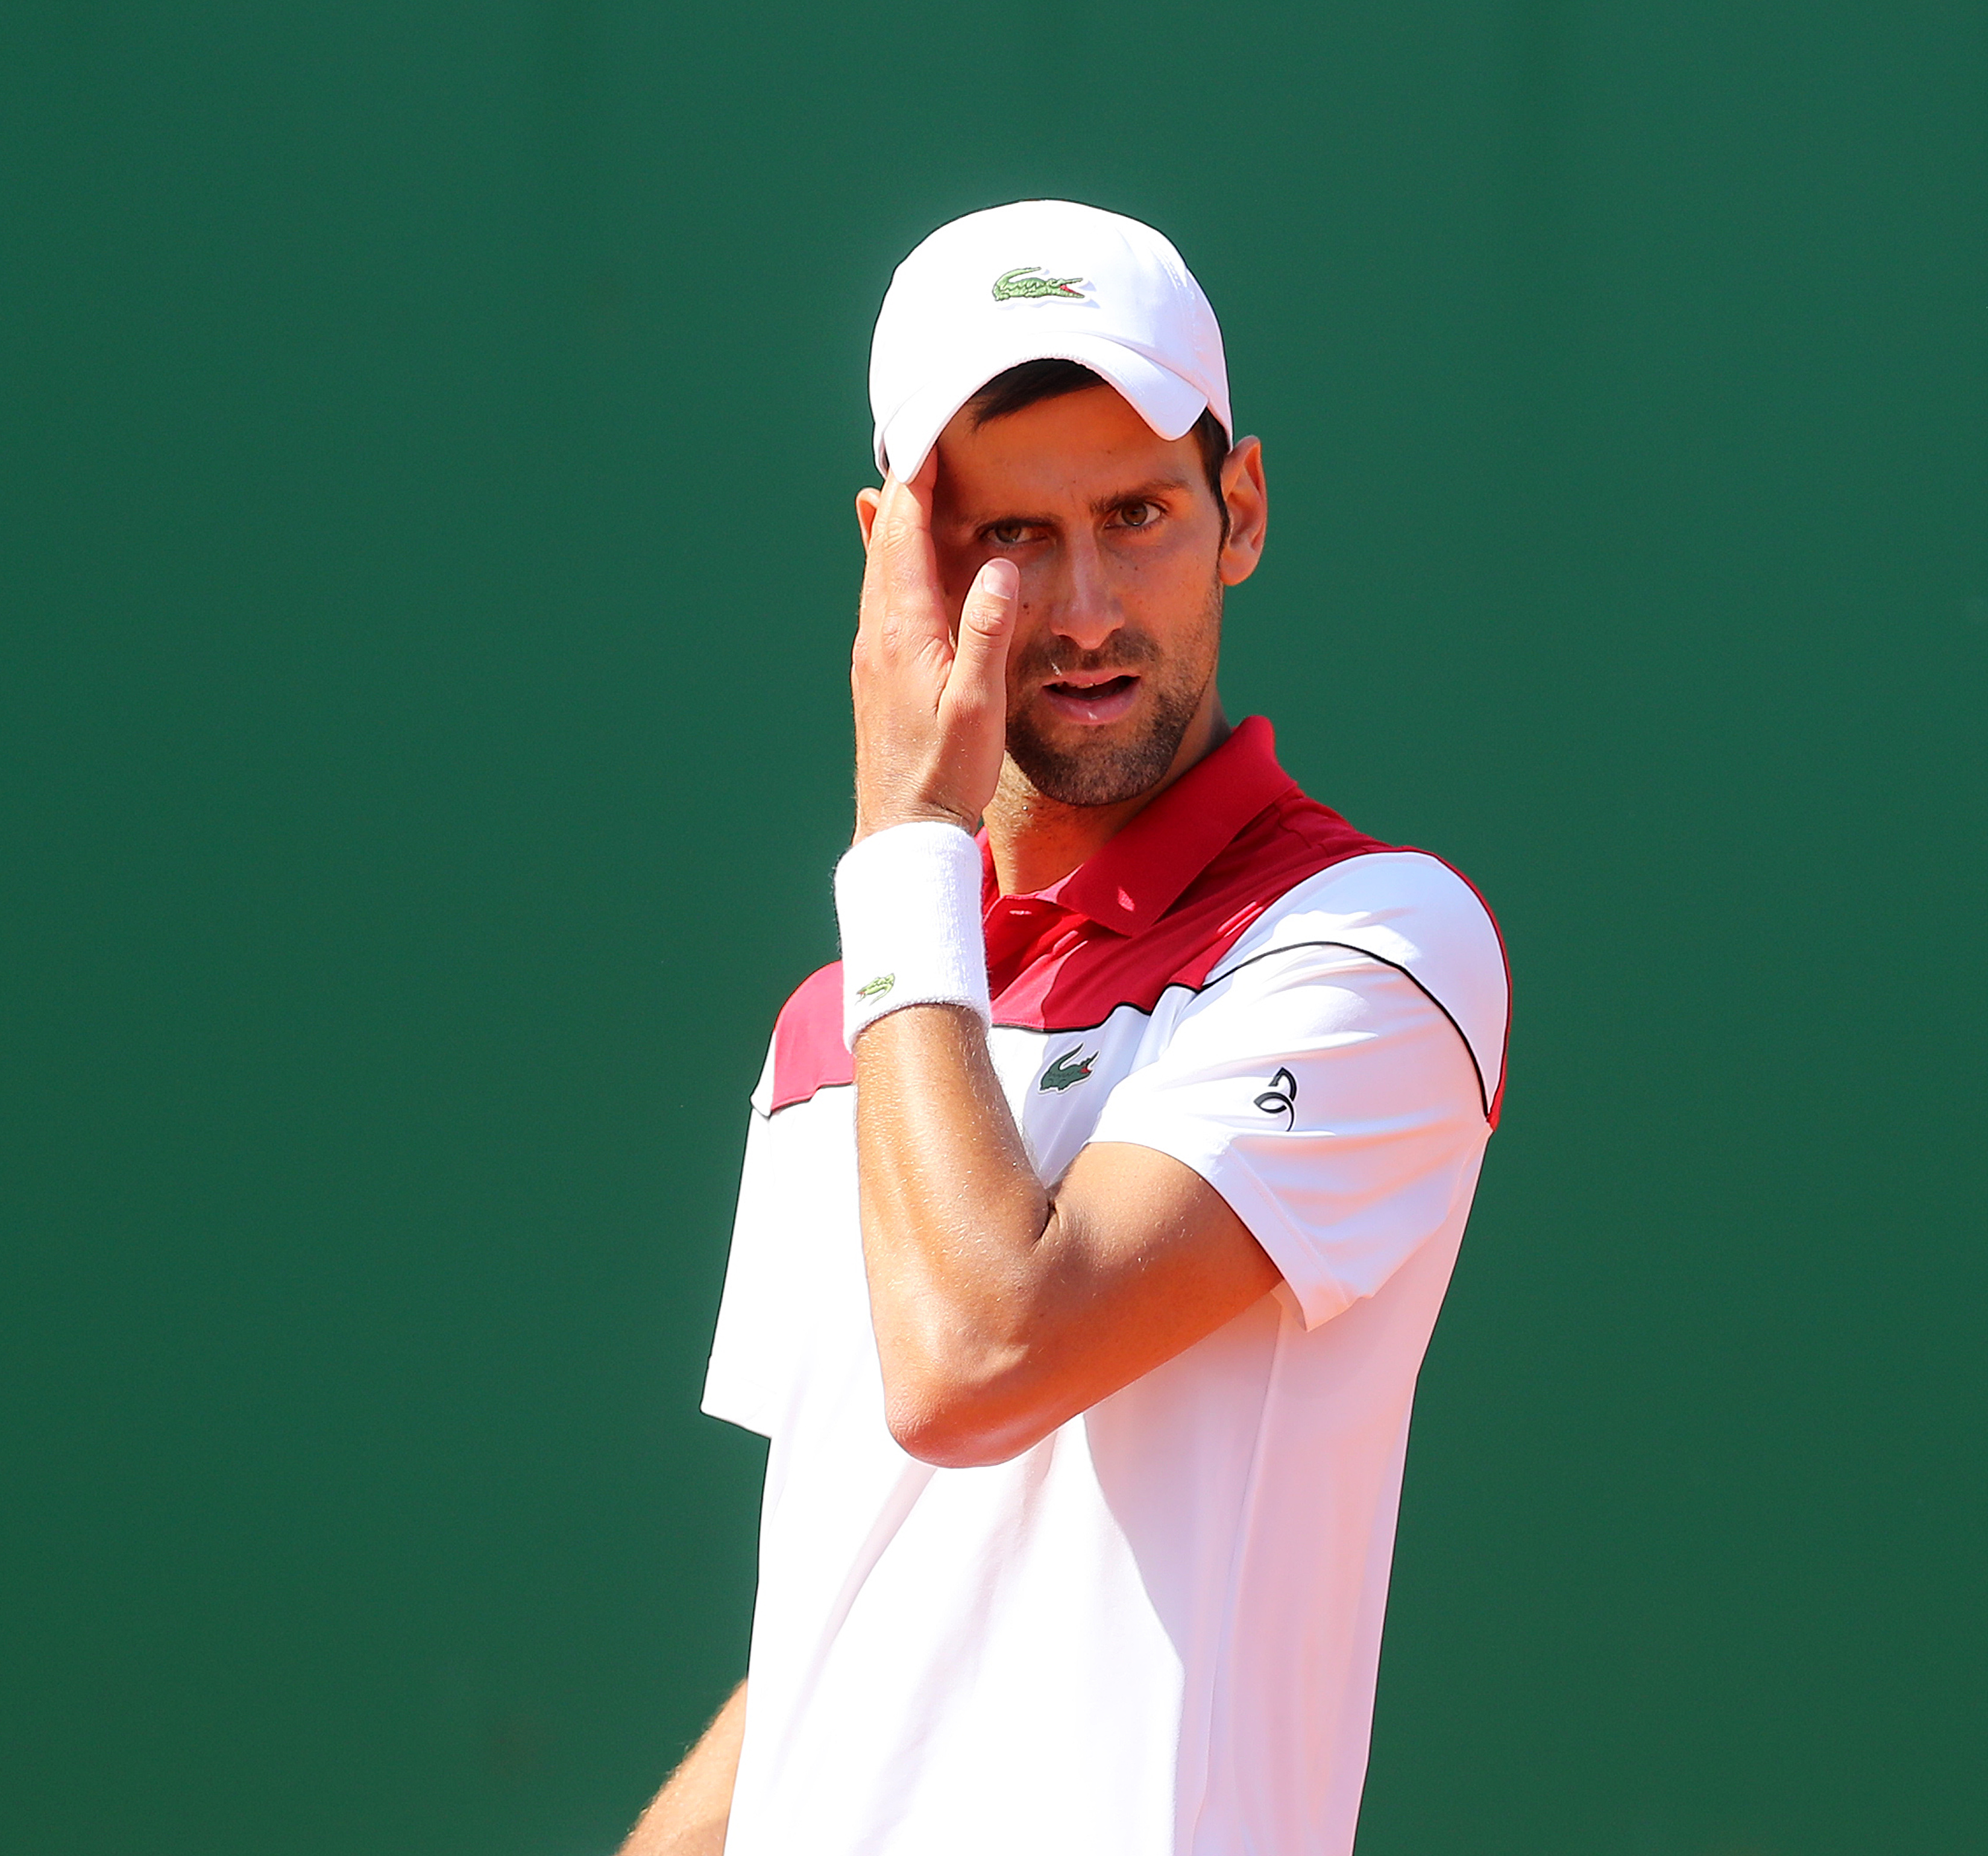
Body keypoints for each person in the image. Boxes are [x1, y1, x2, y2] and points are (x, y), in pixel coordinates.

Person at [620, 200, 1509, 1856]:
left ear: (1239, 507)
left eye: (1138, 512)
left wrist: (904, 849)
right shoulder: (848, 1023)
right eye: (1009, 537)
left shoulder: (1374, 948)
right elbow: (860, 1595)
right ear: (893, 554)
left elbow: (978, 1359)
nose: (1085, 607)